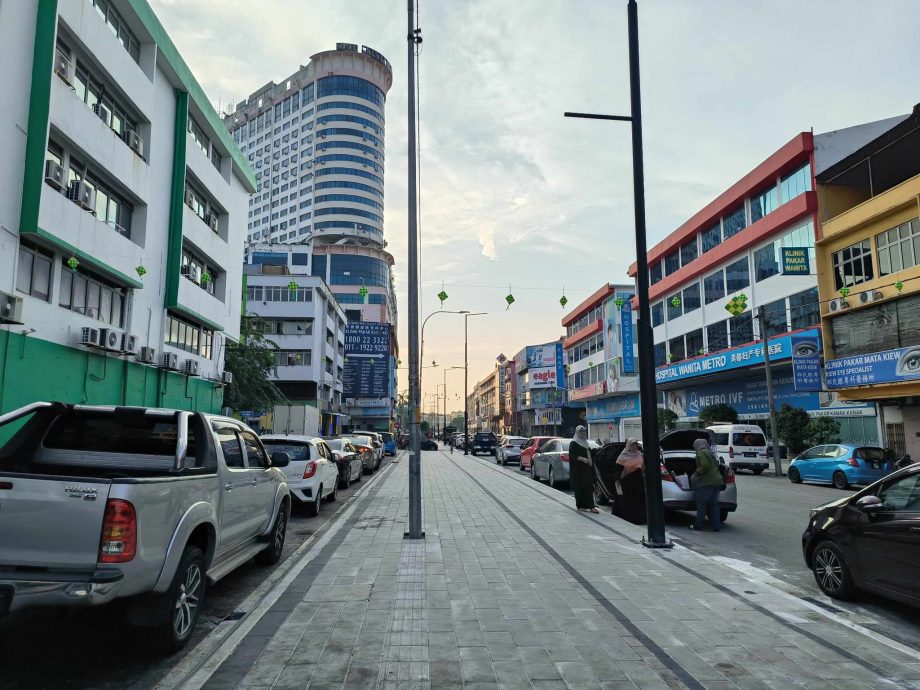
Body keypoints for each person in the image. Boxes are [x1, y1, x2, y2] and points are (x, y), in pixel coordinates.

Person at [691, 438, 723, 531]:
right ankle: (716, 527)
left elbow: (705, 465)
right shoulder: (710, 452)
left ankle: (698, 526)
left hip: (707, 482)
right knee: (714, 505)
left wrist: (696, 474)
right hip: (717, 481)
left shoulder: (701, 453)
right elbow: (716, 465)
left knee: (702, 504)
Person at [613, 439, 646, 524]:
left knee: (638, 500)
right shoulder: (623, 456)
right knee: (628, 501)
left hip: (638, 481)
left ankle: (639, 519)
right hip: (627, 481)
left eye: (635, 445)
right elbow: (618, 470)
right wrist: (617, 480)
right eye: (632, 445)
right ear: (628, 446)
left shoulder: (641, 455)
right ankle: (628, 519)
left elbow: (644, 468)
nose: (634, 447)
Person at [569, 426, 598, 513]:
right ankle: (580, 506)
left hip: (587, 470)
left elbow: (588, 453)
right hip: (578, 471)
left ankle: (591, 506)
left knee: (589, 487)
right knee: (580, 488)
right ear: (577, 432)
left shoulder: (585, 442)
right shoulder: (574, 443)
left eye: (584, 432)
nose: (582, 433)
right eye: (580, 432)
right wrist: (582, 459)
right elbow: (572, 455)